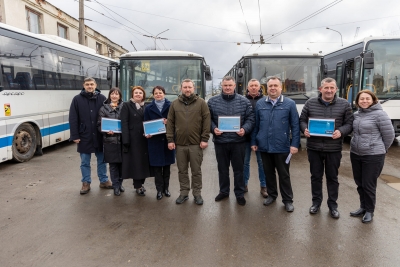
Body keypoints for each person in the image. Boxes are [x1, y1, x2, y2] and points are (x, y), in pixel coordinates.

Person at [299, 77, 354, 218]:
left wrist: (341, 131)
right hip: (314, 148)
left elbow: (350, 123)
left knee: (332, 178)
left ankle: (333, 205)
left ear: (336, 89)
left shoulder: (344, 104)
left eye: (332, 88)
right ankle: (316, 203)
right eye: (326, 88)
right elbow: (302, 120)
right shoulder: (310, 103)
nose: (329, 90)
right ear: (320, 89)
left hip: (333, 149)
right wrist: (304, 129)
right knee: (316, 177)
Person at [251, 76, 300, 212]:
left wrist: (295, 144)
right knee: (268, 173)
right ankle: (272, 195)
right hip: (264, 146)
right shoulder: (260, 104)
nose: (272, 88)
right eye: (270, 86)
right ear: (266, 88)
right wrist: (254, 141)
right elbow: (256, 125)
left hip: (282, 146)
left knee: (284, 175)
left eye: (275, 86)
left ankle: (288, 200)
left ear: (281, 87)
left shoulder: (289, 104)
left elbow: (295, 126)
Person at [208, 76, 254, 206]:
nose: (227, 88)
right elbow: (208, 119)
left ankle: (239, 193)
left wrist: (244, 129)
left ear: (235, 86)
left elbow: (251, 119)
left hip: (238, 141)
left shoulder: (244, 101)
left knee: (238, 170)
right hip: (220, 141)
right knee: (222, 169)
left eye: (230, 85)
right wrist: (213, 128)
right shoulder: (212, 101)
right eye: (225, 85)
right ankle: (224, 191)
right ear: (221, 86)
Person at [349, 90, 394, 223]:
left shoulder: (380, 115)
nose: (364, 101)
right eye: (361, 99)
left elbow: (389, 135)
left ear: (373, 99)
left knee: (368, 184)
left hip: (373, 155)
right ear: (357, 101)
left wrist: (381, 149)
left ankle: (370, 210)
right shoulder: (356, 115)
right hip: (356, 154)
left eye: (367, 98)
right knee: (359, 183)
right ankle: (363, 207)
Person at [166, 79, 210, 205]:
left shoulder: (201, 103)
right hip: (180, 144)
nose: (187, 89)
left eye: (189, 87)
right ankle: (184, 193)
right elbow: (170, 123)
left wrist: (204, 139)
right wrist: (170, 139)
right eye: (185, 87)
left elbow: (206, 122)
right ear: (181, 89)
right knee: (182, 170)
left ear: (193, 88)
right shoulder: (174, 104)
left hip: (196, 144)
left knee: (196, 171)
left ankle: (197, 194)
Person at [69, 77, 112, 194]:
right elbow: (73, 118)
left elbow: (108, 115)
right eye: (87, 84)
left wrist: (109, 130)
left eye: (91, 84)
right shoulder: (77, 99)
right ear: (83, 85)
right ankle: (86, 182)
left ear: (95, 85)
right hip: (84, 135)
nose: (89, 86)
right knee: (84, 161)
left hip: (99, 135)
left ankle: (104, 180)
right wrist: (75, 135)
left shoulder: (102, 98)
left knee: (102, 160)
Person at [144, 86, 175, 200]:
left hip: (168, 141)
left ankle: (166, 189)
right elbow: (146, 123)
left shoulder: (171, 106)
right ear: (153, 95)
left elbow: (176, 122)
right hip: (155, 142)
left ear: (164, 94)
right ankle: (159, 190)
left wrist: (169, 122)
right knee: (157, 168)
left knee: (167, 168)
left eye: (160, 93)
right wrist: (148, 132)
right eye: (156, 93)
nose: (158, 95)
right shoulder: (148, 108)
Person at [120, 86, 151, 195]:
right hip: (133, 139)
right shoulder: (126, 106)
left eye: (140, 93)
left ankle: (141, 183)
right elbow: (124, 123)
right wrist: (126, 140)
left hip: (145, 138)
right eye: (136, 93)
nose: (138, 94)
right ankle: (137, 186)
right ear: (132, 95)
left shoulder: (146, 106)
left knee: (143, 162)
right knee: (136, 163)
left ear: (143, 95)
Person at [97, 87, 124, 196]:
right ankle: (115, 186)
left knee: (122, 165)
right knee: (113, 166)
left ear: (120, 96)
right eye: (112, 94)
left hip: (123, 141)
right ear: (109, 96)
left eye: (116, 94)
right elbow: (99, 125)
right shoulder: (103, 109)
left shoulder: (125, 107)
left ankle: (120, 183)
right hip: (110, 141)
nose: (114, 96)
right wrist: (106, 131)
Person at [243, 79, 267, 197]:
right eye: (251, 85)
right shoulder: (242, 100)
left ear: (259, 87)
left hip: (260, 137)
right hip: (245, 137)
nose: (253, 87)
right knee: (244, 163)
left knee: (262, 163)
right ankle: (244, 185)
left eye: (256, 86)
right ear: (247, 87)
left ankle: (264, 186)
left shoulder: (265, 100)